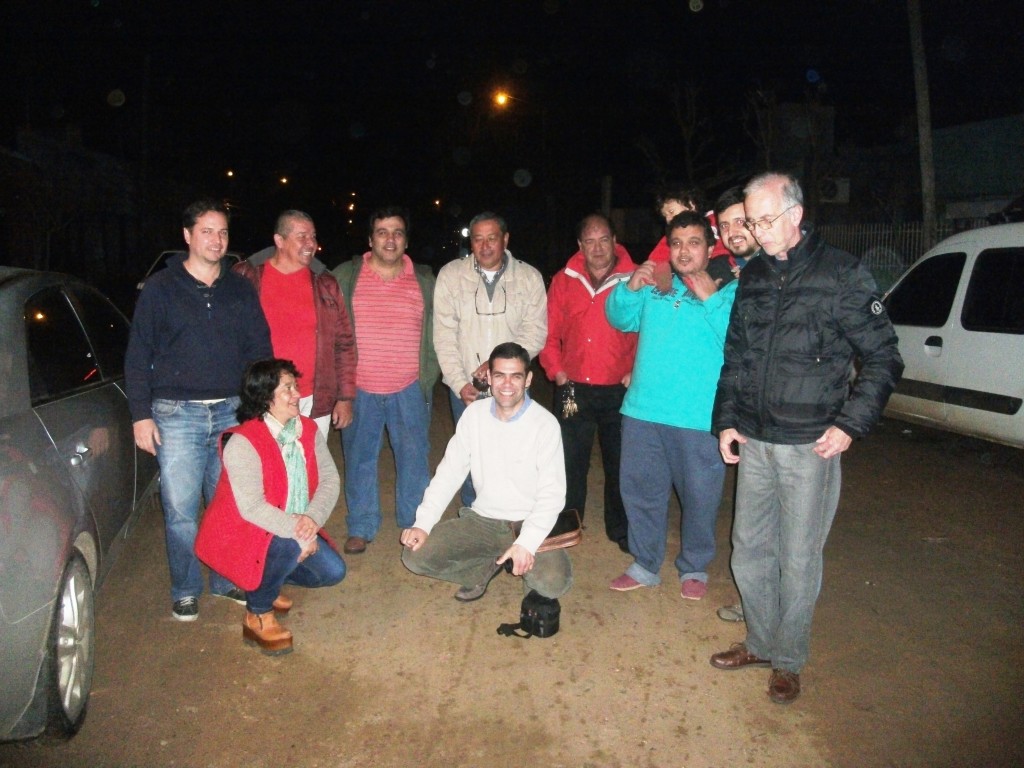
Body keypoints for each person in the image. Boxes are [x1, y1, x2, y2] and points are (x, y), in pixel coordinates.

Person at [710, 172, 903, 704]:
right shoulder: (753, 275)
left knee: (797, 559)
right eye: (750, 221)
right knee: (749, 551)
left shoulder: (842, 273)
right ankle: (760, 642)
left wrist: (850, 424)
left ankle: (788, 659)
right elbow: (737, 356)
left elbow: (884, 356)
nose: (755, 230)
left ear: (795, 215)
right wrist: (727, 420)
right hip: (755, 439)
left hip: (809, 445)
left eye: (764, 219)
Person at [126, 198, 272, 621]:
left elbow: (259, 349)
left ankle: (225, 580)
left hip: (231, 411)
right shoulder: (160, 288)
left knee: (228, 503)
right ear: (187, 235)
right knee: (181, 510)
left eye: (222, 232)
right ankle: (186, 588)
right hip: (176, 414)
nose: (216, 240)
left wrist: (259, 405)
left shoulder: (240, 289)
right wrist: (141, 414)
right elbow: (138, 355)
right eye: (207, 231)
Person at [605, 210, 737, 600]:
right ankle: (645, 563)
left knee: (700, 497)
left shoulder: (729, 289)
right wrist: (630, 288)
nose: (684, 251)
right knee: (640, 492)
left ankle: (694, 565)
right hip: (643, 411)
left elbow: (740, 341)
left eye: (694, 243)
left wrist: (712, 300)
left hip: (698, 417)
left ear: (710, 248)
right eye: (676, 243)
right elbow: (620, 319)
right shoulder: (656, 286)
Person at [400, 342, 571, 608]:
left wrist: (527, 542)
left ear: (528, 379)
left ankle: (518, 557)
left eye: (516, 376)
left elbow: (552, 494)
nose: (507, 384)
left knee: (554, 583)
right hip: (483, 521)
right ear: (489, 377)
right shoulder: (474, 415)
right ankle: (484, 568)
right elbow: (448, 474)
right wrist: (423, 523)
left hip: (527, 520)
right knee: (414, 557)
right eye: (500, 375)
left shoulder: (545, 424)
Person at [212, 359, 346, 655]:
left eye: (295, 386)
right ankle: (257, 613)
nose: (297, 394)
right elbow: (252, 508)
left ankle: (266, 580)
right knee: (288, 546)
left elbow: (330, 479)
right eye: (287, 388)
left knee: (333, 572)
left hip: (291, 526)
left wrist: (312, 519)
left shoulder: (307, 430)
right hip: (245, 533)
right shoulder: (243, 442)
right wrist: (300, 533)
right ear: (264, 396)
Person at [332, 207, 440, 555]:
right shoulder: (345, 276)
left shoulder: (425, 281)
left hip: (409, 386)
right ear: (370, 239)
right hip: (359, 387)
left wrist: (431, 373)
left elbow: (441, 328)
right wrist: (340, 388)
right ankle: (361, 525)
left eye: (397, 232)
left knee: (414, 458)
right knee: (359, 458)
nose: (390, 239)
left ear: (406, 241)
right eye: (382, 232)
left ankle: (414, 523)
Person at [433, 211, 547, 506]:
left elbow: (535, 332)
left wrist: (500, 366)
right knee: (472, 458)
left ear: (505, 239)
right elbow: (444, 335)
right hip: (467, 387)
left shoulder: (528, 277)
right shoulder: (451, 276)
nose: (485, 246)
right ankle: (474, 516)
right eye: (478, 239)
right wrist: (459, 383)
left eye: (492, 238)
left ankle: (512, 517)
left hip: (512, 386)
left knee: (515, 456)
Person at [539, 213, 637, 552]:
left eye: (603, 240)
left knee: (620, 462)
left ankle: (621, 528)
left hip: (620, 389)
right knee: (569, 460)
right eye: (590, 242)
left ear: (615, 241)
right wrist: (556, 371)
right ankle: (569, 522)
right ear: (580, 245)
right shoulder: (563, 280)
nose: (597, 248)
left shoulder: (635, 280)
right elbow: (548, 332)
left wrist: (636, 370)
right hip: (572, 387)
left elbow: (647, 330)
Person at [234, 210, 356, 436]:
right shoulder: (246, 276)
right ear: (279, 240)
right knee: (266, 458)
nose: (311, 243)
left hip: (313, 398)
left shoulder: (326, 283)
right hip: (263, 395)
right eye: (302, 236)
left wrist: (345, 397)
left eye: (313, 236)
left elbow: (344, 344)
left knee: (310, 457)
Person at [711, 184, 761, 623]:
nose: (732, 232)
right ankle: (755, 606)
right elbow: (735, 352)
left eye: (740, 222)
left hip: (790, 421)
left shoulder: (783, 269)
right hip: (747, 414)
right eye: (724, 226)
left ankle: (774, 622)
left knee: (785, 531)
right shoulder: (732, 271)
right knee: (750, 525)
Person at [647, 186, 737, 282]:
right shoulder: (674, 235)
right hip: (703, 271)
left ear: (691, 205)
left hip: (730, 264)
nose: (668, 219)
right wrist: (649, 274)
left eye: (671, 211)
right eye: (665, 216)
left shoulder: (717, 218)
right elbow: (655, 260)